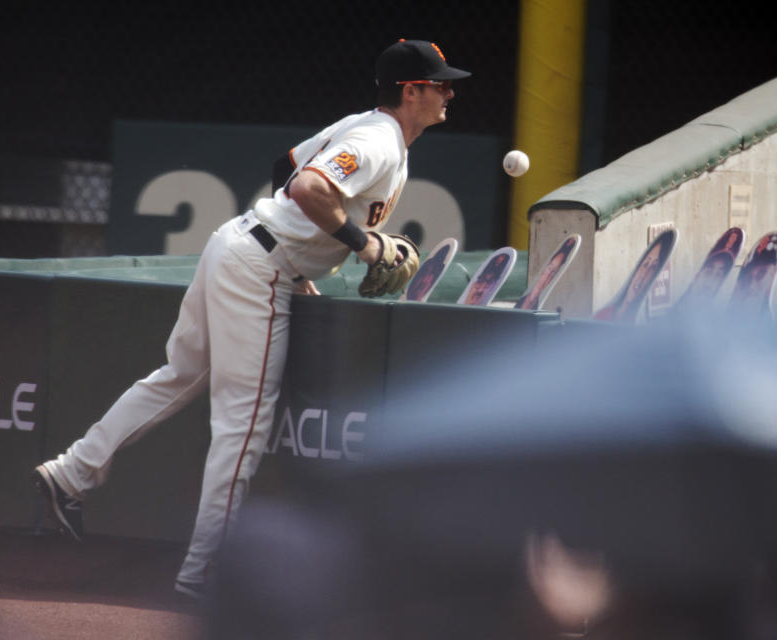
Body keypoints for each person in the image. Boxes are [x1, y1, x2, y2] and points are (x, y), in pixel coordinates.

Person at [32, 39, 471, 598]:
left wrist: (297, 253)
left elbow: (286, 167)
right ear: (412, 91)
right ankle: (203, 575)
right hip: (254, 267)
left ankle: (71, 471)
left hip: (237, 246)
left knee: (178, 375)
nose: (449, 92)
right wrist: (360, 246)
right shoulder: (377, 139)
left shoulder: (370, 128)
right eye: (441, 84)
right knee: (241, 431)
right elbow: (309, 185)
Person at [515, 236, 576, 311]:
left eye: (553, 273)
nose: (547, 276)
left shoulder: (540, 306)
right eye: (549, 268)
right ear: (544, 269)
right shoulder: (521, 299)